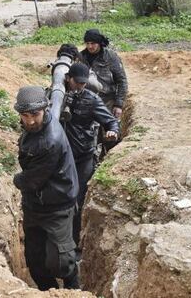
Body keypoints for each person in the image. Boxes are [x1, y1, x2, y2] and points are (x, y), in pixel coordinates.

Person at [13, 86, 80, 291]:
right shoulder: (36, 128)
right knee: (35, 262)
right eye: (25, 115)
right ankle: (48, 292)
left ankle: (72, 287)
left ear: (46, 109)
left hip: (57, 206)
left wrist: (17, 180)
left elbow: (31, 180)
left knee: (61, 262)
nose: (30, 121)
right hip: (35, 204)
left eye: (35, 114)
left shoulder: (50, 141)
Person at [63, 63, 120, 253]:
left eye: (83, 83)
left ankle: (75, 244)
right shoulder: (57, 95)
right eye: (77, 82)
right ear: (68, 78)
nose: (80, 86)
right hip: (61, 158)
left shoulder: (92, 99)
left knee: (77, 199)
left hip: (82, 157)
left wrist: (112, 130)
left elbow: (110, 120)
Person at [81, 28, 128, 119]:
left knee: (109, 130)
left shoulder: (110, 57)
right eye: (87, 43)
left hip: (107, 102)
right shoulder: (81, 57)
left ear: (99, 43)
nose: (90, 46)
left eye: (93, 43)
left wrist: (118, 105)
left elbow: (122, 81)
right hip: (86, 102)